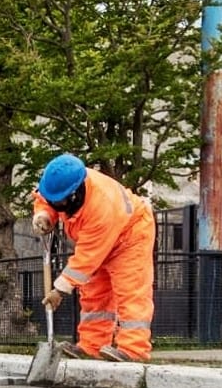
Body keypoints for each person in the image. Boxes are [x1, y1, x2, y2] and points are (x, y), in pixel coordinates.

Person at [32, 153, 156, 362]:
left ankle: (133, 349)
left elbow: (86, 259)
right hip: (98, 238)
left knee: (130, 291)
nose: (56, 205)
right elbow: (44, 199)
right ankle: (92, 345)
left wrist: (60, 289)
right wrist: (43, 215)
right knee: (94, 292)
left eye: (59, 202)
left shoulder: (101, 205)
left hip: (130, 236)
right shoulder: (59, 182)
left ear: (74, 195)